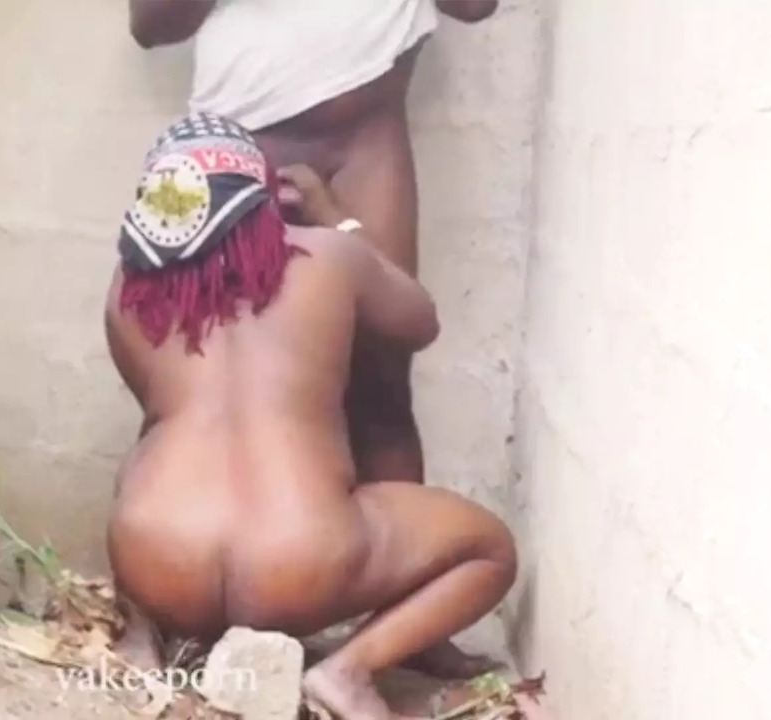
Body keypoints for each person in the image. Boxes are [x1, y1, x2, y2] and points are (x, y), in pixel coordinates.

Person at [126, 0, 502, 679]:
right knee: (188, 366)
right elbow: (150, 25)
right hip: (231, 150)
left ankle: (405, 626)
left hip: (364, 141)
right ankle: (154, 617)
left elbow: (476, 7)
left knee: (383, 379)